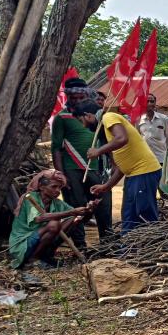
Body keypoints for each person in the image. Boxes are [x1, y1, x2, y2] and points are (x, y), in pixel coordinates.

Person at [72, 100, 162, 234]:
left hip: (144, 172)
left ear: (88, 115)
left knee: (144, 213)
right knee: (128, 215)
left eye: (81, 121)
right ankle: (127, 250)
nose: (84, 126)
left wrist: (98, 151)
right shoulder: (108, 135)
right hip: (133, 175)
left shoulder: (109, 117)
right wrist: (107, 186)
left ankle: (153, 247)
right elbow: (122, 166)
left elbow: (122, 138)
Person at [50, 78, 113, 246]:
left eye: (80, 98)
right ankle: (80, 245)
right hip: (72, 170)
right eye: (73, 98)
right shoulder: (61, 118)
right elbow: (56, 148)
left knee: (103, 206)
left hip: (97, 169)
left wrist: (112, 165)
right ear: (67, 97)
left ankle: (107, 244)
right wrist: (61, 175)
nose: (77, 101)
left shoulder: (98, 116)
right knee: (76, 208)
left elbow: (107, 142)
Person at [9, 170, 98, 269]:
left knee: (73, 219)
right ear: (41, 187)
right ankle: (33, 260)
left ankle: (44, 256)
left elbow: (79, 219)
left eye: (60, 187)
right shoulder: (30, 198)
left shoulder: (57, 203)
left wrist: (89, 210)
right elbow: (39, 218)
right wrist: (72, 212)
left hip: (40, 241)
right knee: (54, 225)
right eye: (54, 187)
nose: (58, 191)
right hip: (23, 243)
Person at [138, 93, 168, 166]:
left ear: (155, 103)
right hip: (145, 159)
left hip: (161, 159)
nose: (150, 103)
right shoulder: (139, 119)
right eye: (147, 101)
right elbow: (137, 138)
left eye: (152, 101)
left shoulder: (164, 119)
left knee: (160, 177)